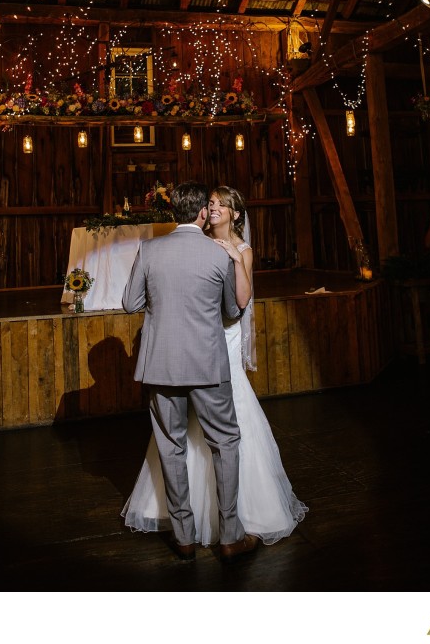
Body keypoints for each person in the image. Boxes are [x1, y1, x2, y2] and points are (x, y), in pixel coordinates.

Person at [122, 184, 308, 549]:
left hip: (162, 365)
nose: (214, 208)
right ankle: (230, 535)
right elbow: (231, 310)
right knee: (225, 442)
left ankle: (184, 537)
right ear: (202, 213)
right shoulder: (215, 255)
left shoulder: (150, 248)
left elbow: (130, 303)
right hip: (208, 361)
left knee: (171, 446)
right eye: (211, 204)